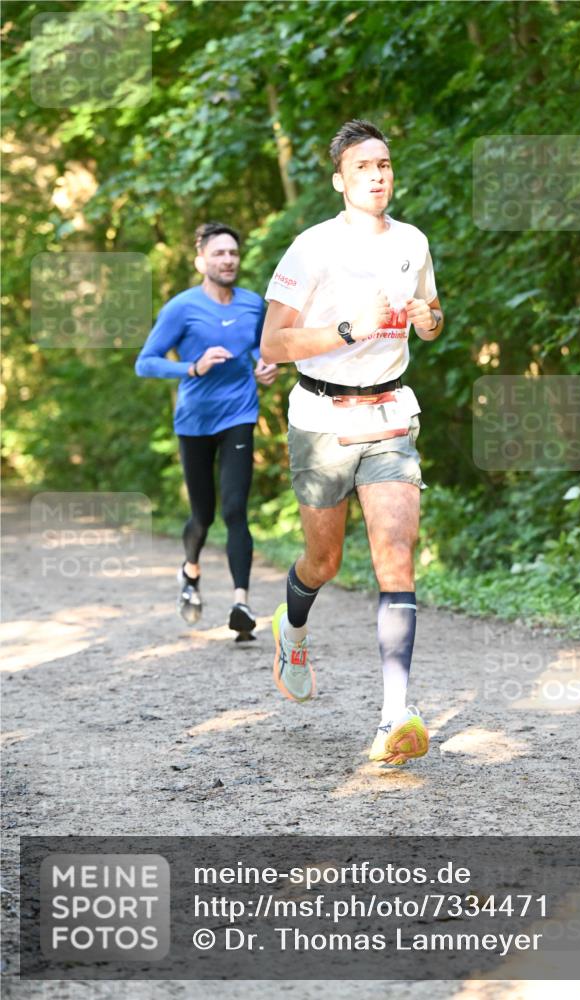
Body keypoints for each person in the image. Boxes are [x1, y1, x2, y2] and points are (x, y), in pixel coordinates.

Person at [260, 120, 443, 765]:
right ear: (340, 181)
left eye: (384, 164)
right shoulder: (311, 248)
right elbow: (273, 343)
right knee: (325, 561)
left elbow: (433, 316)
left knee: (396, 555)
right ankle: (292, 626)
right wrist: (346, 329)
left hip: (390, 412)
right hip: (322, 419)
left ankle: (395, 714)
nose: (377, 175)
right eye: (362, 167)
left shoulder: (413, 241)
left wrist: (427, 319)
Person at [136, 221, 278, 637]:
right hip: (194, 421)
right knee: (203, 515)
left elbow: (261, 346)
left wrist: (264, 364)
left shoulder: (252, 304)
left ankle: (241, 604)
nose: (228, 260)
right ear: (201, 261)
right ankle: (191, 571)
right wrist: (192, 367)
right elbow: (145, 362)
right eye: (219, 253)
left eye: (233, 253)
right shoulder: (181, 308)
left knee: (235, 510)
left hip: (239, 415)